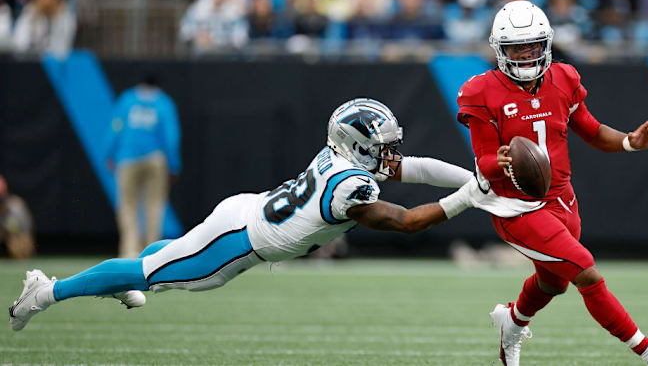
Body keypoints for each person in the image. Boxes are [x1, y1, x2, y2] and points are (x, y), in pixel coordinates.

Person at [9, 98, 542, 332]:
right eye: (382, 145)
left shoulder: (344, 157)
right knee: (154, 272)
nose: (391, 154)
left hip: (245, 212)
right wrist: (470, 196)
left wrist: (476, 175)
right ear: (358, 145)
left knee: (163, 264)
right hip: (240, 241)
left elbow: (417, 167)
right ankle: (46, 290)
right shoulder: (351, 185)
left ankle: (126, 281)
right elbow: (406, 222)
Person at [455, 0, 648, 366]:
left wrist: (630, 140)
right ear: (500, 50)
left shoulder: (563, 78)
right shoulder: (481, 91)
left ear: (546, 44)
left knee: (553, 282)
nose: (527, 53)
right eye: (517, 47)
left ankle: (512, 321)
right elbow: (484, 161)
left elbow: (593, 132)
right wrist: (499, 162)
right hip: (516, 208)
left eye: (533, 45)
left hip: (563, 201)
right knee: (586, 272)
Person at [105, 74, 181, 258]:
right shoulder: (164, 102)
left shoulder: (127, 99)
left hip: (127, 158)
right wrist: (174, 164)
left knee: (127, 206)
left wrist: (109, 153)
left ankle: (130, 252)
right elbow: (171, 136)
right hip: (155, 159)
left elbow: (115, 127)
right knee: (155, 205)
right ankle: (152, 253)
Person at [0, 175, 35, 260]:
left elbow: (23, 229)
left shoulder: (14, 205)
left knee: (19, 241)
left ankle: (22, 258)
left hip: (14, 225)